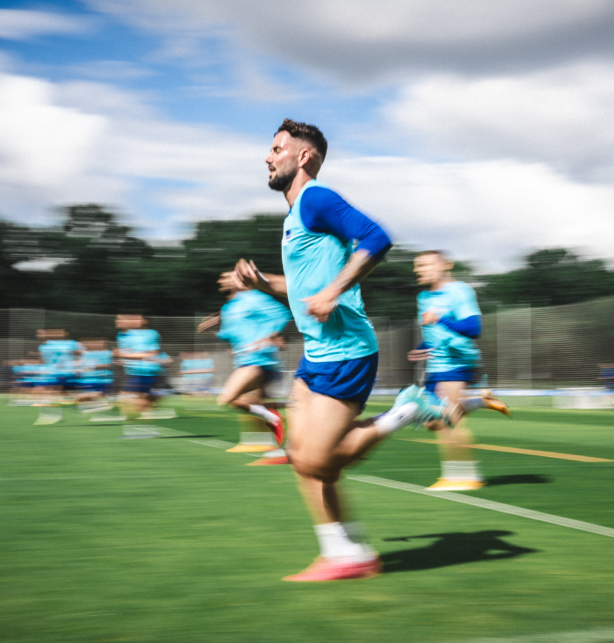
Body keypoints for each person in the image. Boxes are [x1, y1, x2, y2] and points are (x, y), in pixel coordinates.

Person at [233, 119, 456, 581]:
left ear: (304, 156)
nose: (268, 157)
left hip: (347, 351)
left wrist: (335, 289)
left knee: (318, 461)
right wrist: (262, 283)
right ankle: (345, 554)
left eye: (277, 149)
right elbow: (298, 288)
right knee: (301, 457)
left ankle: (406, 410)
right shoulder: (295, 217)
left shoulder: (316, 197)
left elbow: (376, 237)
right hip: (317, 354)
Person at [409, 250, 512, 491]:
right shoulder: (423, 297)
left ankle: (463, 477)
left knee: (449, 420)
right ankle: (478, 399)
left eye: (425, 265)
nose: (419, 270)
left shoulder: (460, 291)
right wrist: (422, 348)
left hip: (457, 362)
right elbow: (434, 334)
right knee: (430, 421)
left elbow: (474, 328)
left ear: (446, 266)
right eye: (417, 266)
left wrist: (441, 318)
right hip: (436, 364)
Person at [198, 271, 293, 455]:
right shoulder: (228, 307)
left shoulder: (255, 297)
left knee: (228, 399)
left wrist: (268, 337)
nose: (222, 280)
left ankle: (273, 416)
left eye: (227, 277)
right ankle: (288, 413)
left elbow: (283, 314)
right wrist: (215, 327)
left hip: (259, 361)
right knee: (257, 403)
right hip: (245, 361)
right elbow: (228, 335)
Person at [115, 314, 173, 423]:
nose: (117, 321)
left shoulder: (150, 334)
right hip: (135, 372)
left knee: (126, 399)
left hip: (147, 371)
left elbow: (150, 354)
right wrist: (123, 360)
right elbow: (129, 352)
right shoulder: (121, 335)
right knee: (138, 402)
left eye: (122, 319)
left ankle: (145, 418)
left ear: (143, 321)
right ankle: (147, 416)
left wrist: (124, 356)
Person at [32, 329, 83, 425]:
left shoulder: (67, 344)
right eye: (38, 333)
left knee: (48, 393)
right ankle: (55, 414)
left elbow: (80, 352)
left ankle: (53, 415)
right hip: (50, 373)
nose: (39, 335)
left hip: (62, 373)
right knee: (48, 393)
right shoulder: (42, 347)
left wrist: (76, 364)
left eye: (41, 333)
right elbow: (45, 360)